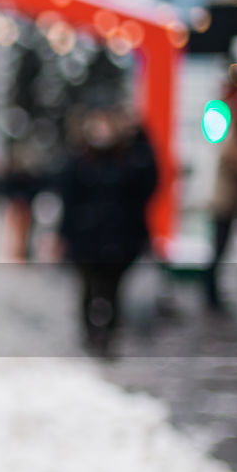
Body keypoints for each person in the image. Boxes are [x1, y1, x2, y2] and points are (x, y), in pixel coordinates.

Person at [57, 104, 159, 357]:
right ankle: (90, 335)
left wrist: (139, 134)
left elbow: (150, 183)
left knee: (113, 292)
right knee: (88, 289)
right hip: (86, 240)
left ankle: (108, 339)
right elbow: (67, 201)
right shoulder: (79, 161)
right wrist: (63, 236)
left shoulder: (129, 158)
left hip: (120, 239)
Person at [205, 85, 237, 313]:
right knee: (219, 249)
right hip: (225, 203)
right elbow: (232, 159)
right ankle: (210, 293)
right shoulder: (227, 131)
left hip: (231, 202)